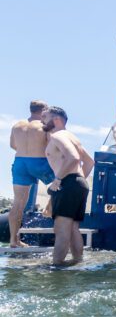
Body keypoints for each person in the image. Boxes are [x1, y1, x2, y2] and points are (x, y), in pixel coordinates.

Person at [42, 107, 94, 266]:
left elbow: (73, 157)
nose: (42, 121)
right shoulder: (73, 137)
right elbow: (90, 162)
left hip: (68, 182)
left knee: (61, 228)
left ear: (56, 120)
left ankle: (56, 267)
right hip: (79, 182)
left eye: (45, 117)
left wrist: (58, 180)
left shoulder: (57, 136)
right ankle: (77, 262)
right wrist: (77, 180)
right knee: (73, 229)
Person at [8, 100, 55, 247]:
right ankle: (49, 209)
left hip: (20, 162)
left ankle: (13, 240)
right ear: (43, 111)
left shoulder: (17, 125)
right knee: (63, 182)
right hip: (39, 161)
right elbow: (52, 145)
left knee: (18, 203)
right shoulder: (45, 126)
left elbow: (12, 145)